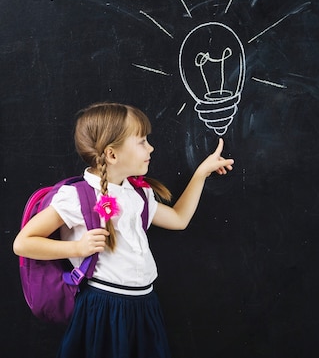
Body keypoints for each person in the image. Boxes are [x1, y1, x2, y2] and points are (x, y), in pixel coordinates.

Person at [13, 102, 234, 358]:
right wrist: (76, 247)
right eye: (141, 141)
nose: (150, 147)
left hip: (145, 306)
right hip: (103, 309)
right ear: (112, 154)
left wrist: (201, 173)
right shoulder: (76, 197)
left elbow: (178, 218)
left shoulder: (139, 193)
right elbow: (23, 243)